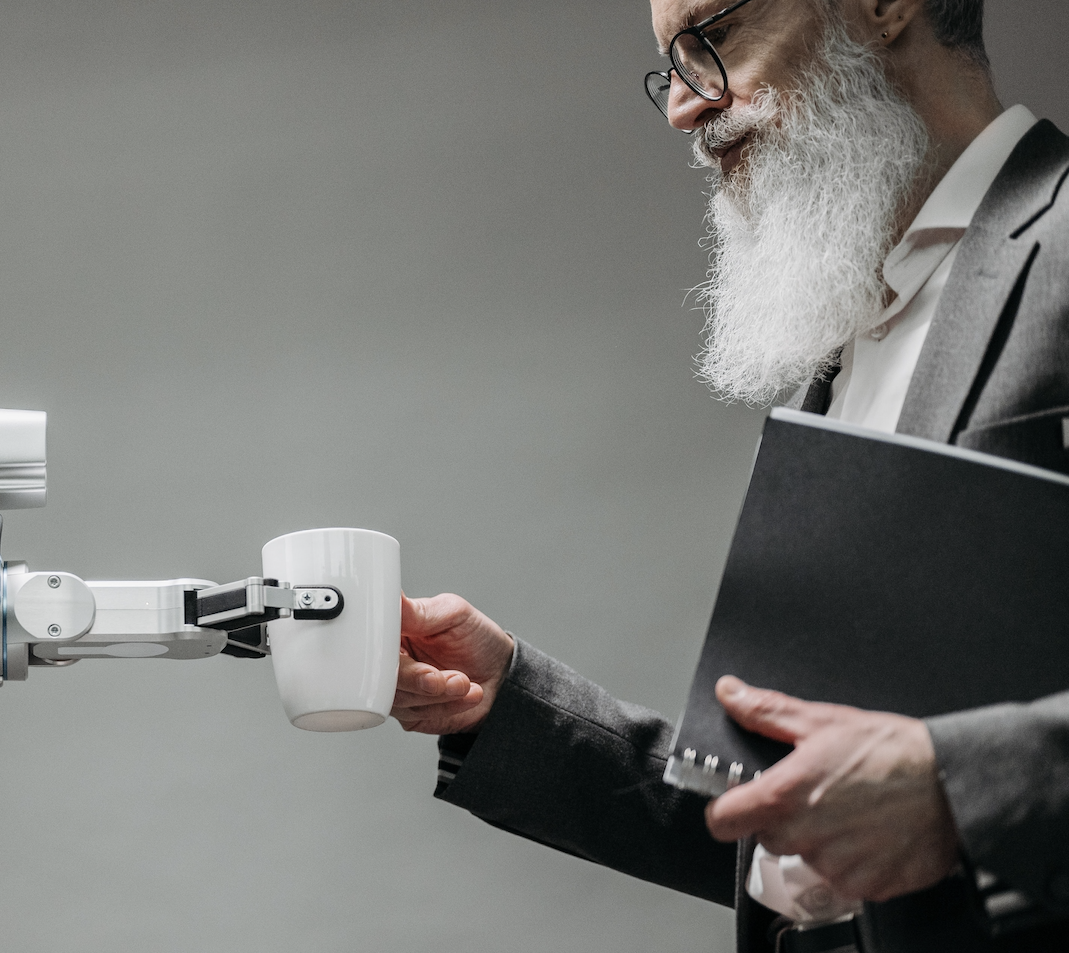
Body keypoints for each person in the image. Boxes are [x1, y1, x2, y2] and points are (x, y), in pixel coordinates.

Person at [392, 1, 1069, 951]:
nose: (681, 105)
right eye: (670, 65)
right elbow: (786, 823)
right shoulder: (844, 350)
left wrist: (959, 786)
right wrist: (508, 701)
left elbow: (918, 787)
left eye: (714, 35)